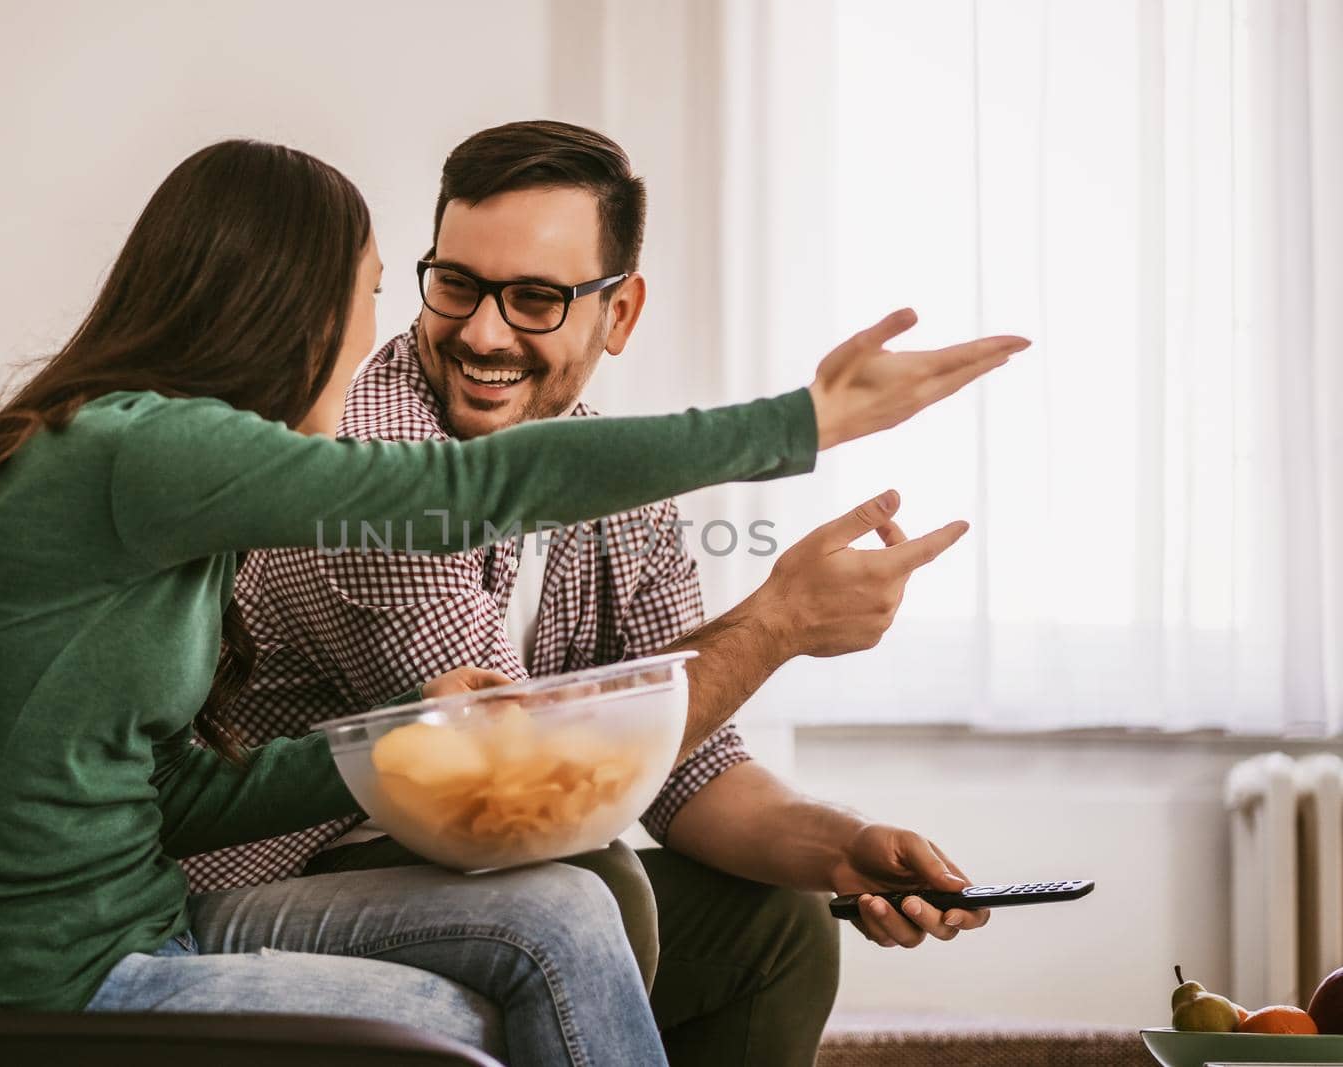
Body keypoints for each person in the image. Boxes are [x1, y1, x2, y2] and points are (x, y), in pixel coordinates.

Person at [0, 139, 1019, 1065]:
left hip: (137, 922)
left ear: (618, 309)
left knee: (592, 913)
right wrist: (802, 429)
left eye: (536, 298)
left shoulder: (176, 487)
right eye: (397, 286)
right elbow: (469, 510)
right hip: (49, 982)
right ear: (288, 305)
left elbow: (162, 790)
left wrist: (399, 738)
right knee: (502, 965)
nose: (395, 328)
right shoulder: (146, 453)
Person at [183, 122, 1019, 1066]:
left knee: (779, 925)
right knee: (587, 881)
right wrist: (778, 621)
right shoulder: (371, 466)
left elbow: (691, 770)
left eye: (535, 298)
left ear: (619, 314)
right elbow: (512, 776)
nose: (483, 333)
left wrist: (845, 848)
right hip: (274, 879)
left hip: (457, 866)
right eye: (456, 284)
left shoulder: (609, 481)